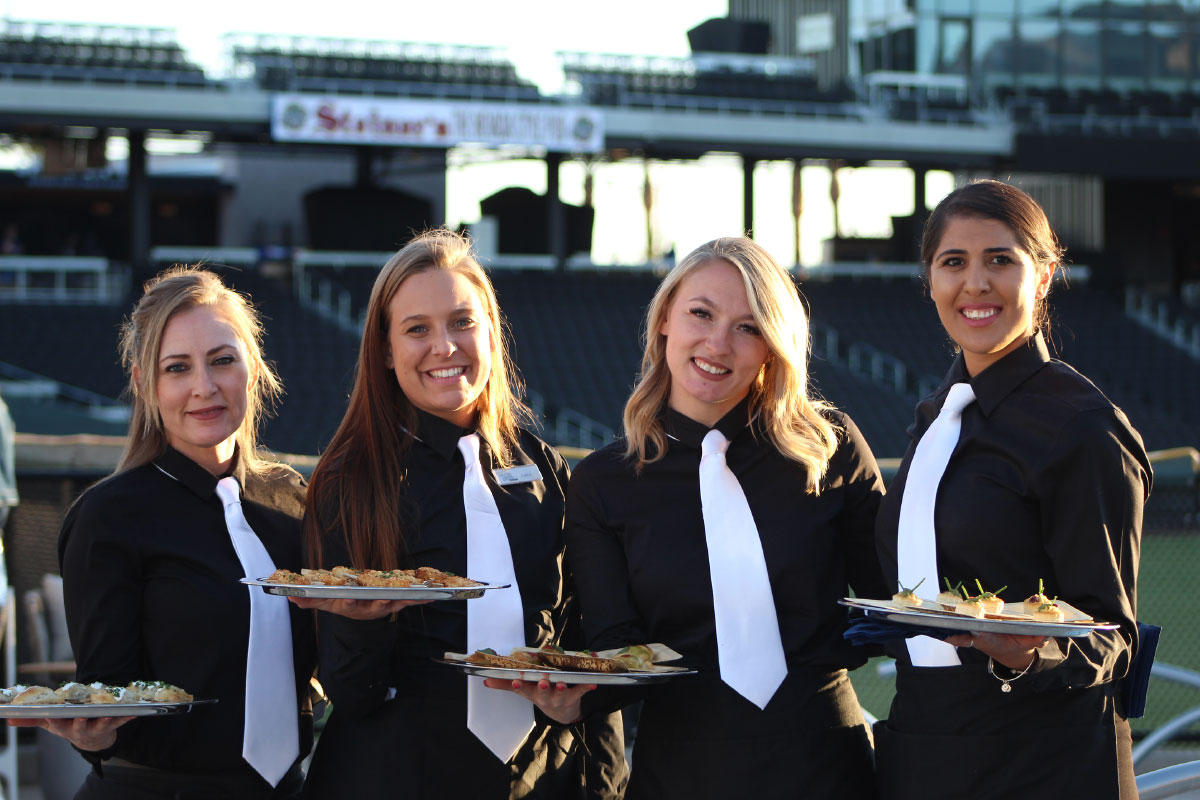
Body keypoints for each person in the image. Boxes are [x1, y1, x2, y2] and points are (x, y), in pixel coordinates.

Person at [540, 237, 887, 799]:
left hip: (825, 761)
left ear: (773, 346)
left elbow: (890, 603)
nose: (718, 342)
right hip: (681, 768)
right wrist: (573, 695)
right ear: (665, 322)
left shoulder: (829, 446)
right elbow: (619, 643)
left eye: (748, 326)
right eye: (701, 313)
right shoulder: (604, 481)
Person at [298, 229, 626, 798]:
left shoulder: (545, 468)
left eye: (462, 322)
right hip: (398, 775)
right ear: (384, 348)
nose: (445, 347)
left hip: (540, 779)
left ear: (492, 333)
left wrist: (605, 782)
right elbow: (351, 695)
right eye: (417, 329)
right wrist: (363, 621)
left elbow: (588, 644)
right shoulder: (351, 481)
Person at [873, 180, 1151, 800]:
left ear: (1044, 275)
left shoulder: (1083, 426)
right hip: (925, 753)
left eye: (1000, 259)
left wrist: (1026, 654)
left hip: (1043, 765)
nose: (975, 283)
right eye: (953, 263)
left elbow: (1113, 639)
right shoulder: (933, 419)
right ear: (930, 280)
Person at [32, 267, 315, 799]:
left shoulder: (291, 498)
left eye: (222, 361)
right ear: (145, 385)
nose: (203, 387)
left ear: (252, 369)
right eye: (177, 368)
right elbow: (107, 697)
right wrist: (92, 734)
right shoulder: (108, 517)